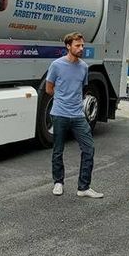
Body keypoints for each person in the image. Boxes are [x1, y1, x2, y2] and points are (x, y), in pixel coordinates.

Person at [47, 32, 103, 198]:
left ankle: (83, 187)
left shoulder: (84, 67)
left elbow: (81, 88)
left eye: (82, 45)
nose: (81, 48)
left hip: (78, 115)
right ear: (68, 46)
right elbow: (49, 88)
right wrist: (62, 98)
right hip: (59, 114)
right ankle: (58, 182)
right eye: (77, 45)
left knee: (89, 148)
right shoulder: (56, 65)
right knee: (58, 150)